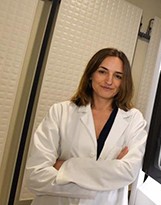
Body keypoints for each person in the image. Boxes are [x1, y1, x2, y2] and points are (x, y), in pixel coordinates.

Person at [25, 48, 147, 205]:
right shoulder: (60, 111)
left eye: (118, 76)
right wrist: (108, 173)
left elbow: (128, 172)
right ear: (90, 75)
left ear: (124, 82)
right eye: (102, 72)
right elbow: (35, 176)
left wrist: (64, 166)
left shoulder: (134, 119)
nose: (109, 81)